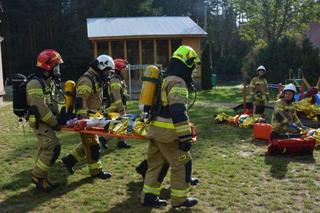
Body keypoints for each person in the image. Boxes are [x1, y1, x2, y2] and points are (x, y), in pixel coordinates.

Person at [141, 45, 200, 208]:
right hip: (169, 135)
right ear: (186, 64)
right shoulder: (178, 83)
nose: (193, 70)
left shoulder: (165, 79)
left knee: (156, 165)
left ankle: (148, 197)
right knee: (183, 163)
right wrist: (185, 137)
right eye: (193, 66)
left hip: (155, 131)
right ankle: (179, 199)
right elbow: (178, 112)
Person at [61, 55, 114, 179]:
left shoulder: (95, 78)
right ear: (101, 66)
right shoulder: (87, 80)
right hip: (86, 120)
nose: (108, 75)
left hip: (93, 119)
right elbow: (80, 100)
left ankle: (69, 160)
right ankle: (96, 172)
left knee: (88, 144)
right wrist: (83, 119)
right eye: (107, 71)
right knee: (93, 146)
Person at [26, 49, 63, 192]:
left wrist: (59, 115)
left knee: (45, 149)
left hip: (45, 122)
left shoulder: (46, 82)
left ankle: (42, 178)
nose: (58, 70)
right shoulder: (35, 83)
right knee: (53, 147)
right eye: (56, 66)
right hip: (40, 122)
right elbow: (41, 108)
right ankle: (38, 177)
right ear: (48, 67)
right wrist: (55, 123)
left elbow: (50, 103)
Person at [99, 58, 131, 149]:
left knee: (122, 123)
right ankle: (104, 139)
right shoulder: (115, 80)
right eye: (124, 69)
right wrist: (121, 108)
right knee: (120, 124)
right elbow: (116, 95)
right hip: (114, 107)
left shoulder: (119, 79)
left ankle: (121, 142)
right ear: (119, 69)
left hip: (118, 106)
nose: (126, 71)